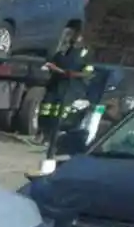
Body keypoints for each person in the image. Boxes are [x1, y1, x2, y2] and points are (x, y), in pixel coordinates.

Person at [38, 29, 95, 167]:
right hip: (55, 87)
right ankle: (43, 134)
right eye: (72, 40)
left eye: (77, 40)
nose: (74, 42)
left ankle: (54, 138)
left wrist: (71, 74)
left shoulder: (85, 55)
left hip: (71, 89)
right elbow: (50, 63)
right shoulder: (62, 52)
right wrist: (53, 68)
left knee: (61, 115)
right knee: (45, 110)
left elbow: (88, 72)